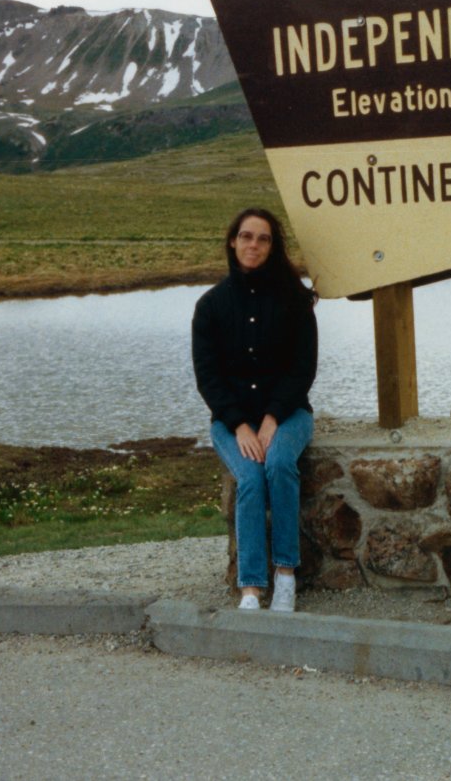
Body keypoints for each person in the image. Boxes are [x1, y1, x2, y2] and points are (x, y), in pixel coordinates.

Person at [191, 207, 317, 612]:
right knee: (249, 476)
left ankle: (284, 575)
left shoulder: (296, 300)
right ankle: (250, 588)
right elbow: (208, 378)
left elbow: (303, 369)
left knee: (279, 463)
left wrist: (273, 417)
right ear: (233, 241)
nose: (253, 245)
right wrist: (241, 426)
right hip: (232, 421)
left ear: (272, 246)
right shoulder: (210, 306)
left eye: (263, 239)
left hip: (289, 414)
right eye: (246, 236)